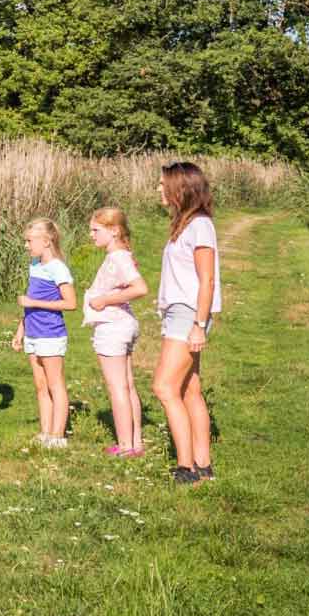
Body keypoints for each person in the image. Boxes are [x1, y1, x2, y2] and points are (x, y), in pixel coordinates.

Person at [153, 162, 221, 485]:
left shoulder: (200, 226)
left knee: (164, 387)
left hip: (188, 313)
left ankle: (186, 468)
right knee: (190, 388)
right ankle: (203, 465)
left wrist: (198, 323)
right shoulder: (184, 223)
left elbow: (206, 280)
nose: (158, 189)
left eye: (162, 184)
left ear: (180, 188)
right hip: (178, 312)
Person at [82, 207, 148, 457]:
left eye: (96, 230)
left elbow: (140, 288)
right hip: (123, 324)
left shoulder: (118, 257)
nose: (91, 235)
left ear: (114, 231)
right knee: (128, 385)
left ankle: (125, 446)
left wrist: (105, 300)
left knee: (118, 387)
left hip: (113, 327)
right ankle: (136, 443)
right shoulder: (120, 256)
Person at [11, 218, 77, 448]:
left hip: (50, 333)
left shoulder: (58, 268)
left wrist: (34, 302)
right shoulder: (35, 266)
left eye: (30, 241)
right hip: (33, 334)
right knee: (40, 385)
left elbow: (70, 303)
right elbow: (29, 304)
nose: (26, 246)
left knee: (54, 384)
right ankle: (45, 432)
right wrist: (21, 330)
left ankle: (58, 436)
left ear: (47, 241)